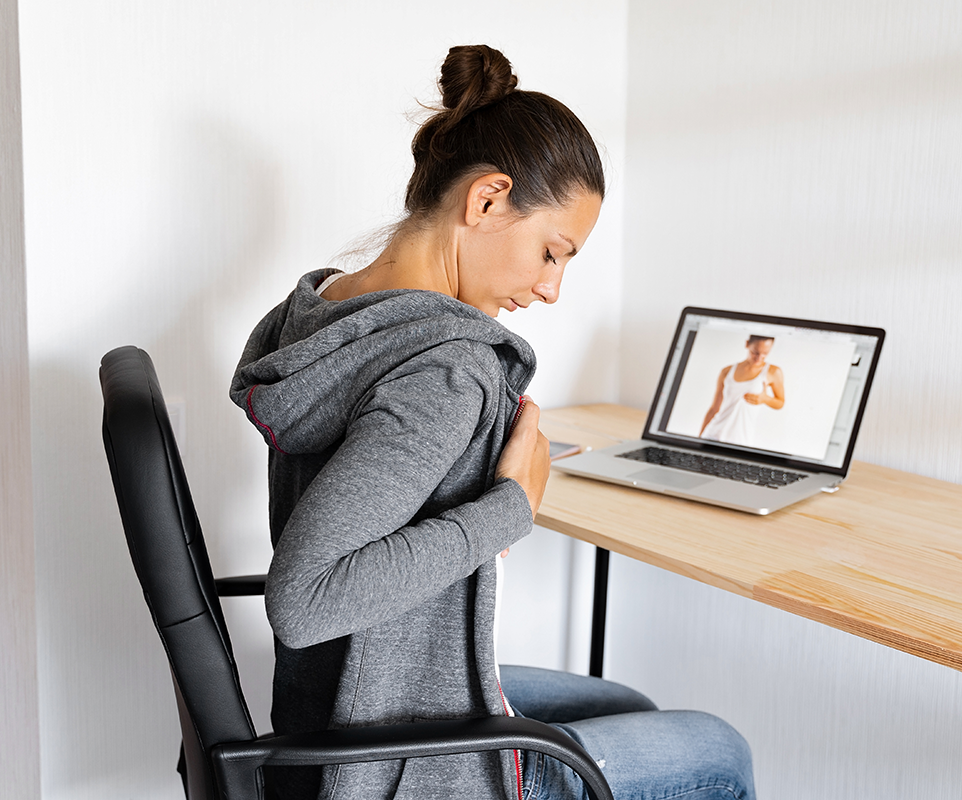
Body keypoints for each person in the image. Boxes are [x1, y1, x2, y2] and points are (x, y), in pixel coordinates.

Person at [230, 44, 755, 800]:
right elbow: (306, 600)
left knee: (628, 708)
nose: (552, 288)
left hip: (334, 707)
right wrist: (509, 510)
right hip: (387, 758)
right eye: (552, 251)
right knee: (716, 749)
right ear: (485, 200)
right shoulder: (447, 368)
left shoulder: (319, 313)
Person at [699, 336, 785, 447]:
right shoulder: (726, 371)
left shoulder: (773, 372)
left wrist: (765, 399)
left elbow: (780, 402)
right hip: (713, 434)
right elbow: (714, 409)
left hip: (741, 439)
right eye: (755, 352)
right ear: (747, 344)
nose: (759, 357)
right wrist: (699, 439)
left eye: (765, 353)